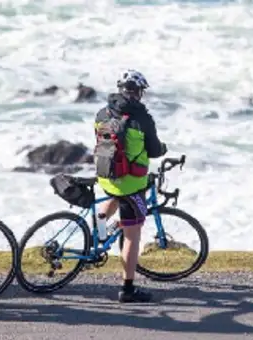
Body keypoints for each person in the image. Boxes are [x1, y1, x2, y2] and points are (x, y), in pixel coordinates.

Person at [92, 70, 168, 303]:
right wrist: (163, 148)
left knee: (114, 196)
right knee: (132, 235)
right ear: (139, 93)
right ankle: (128, 289)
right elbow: (155, 150)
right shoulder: (141, 118)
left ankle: (100, 230)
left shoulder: (103, 112)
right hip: (131, 182)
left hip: (106, 175)